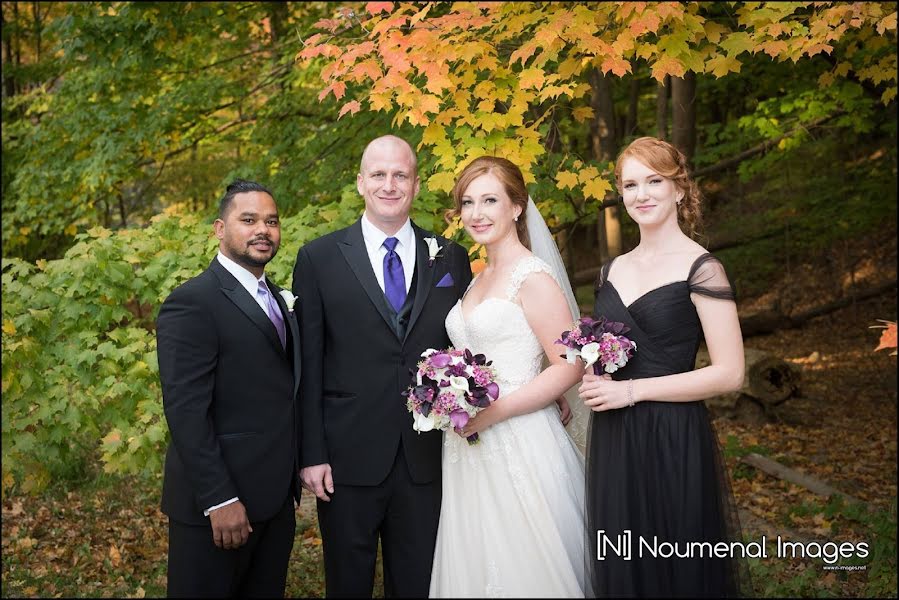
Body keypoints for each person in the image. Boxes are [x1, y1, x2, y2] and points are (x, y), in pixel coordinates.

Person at [292, 135, 473, 597]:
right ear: (360, 182)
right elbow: (308, 363)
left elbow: (470, 345)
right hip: (346, 457)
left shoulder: (450, 255)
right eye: (378, 174)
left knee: (417, 583)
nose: (389, 184)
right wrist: (312, 452)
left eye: (400, 175)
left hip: (428, 455)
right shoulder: (319, 257)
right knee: (347, 584)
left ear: (415, 185)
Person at [580, 137, 750, 597]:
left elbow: (731, 373)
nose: (642, 194)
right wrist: (594, 375)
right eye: (630, 184)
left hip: (673, 431)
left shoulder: (702, 267)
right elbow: (609, 350)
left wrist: (633, 392)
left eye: (655, 180)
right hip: (616, 436)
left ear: (679, 189)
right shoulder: (609, 271)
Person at [428, 156, 590, 598]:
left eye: (490, 200)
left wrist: (493, 412)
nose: (476, 213)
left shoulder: (532, 277)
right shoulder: (477, 278)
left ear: (517, 207)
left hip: (518, 438)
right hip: (469, 448)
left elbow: (570, 364)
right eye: (467, 202)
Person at [156, 179, 302, 597]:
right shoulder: (193, 302)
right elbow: (185, 409)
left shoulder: (276, 296)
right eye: (249, 219)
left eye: (271, 221)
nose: (263, 230)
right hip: (218, 508)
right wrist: (219, 499)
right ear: (220, 229)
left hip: (274, 501)